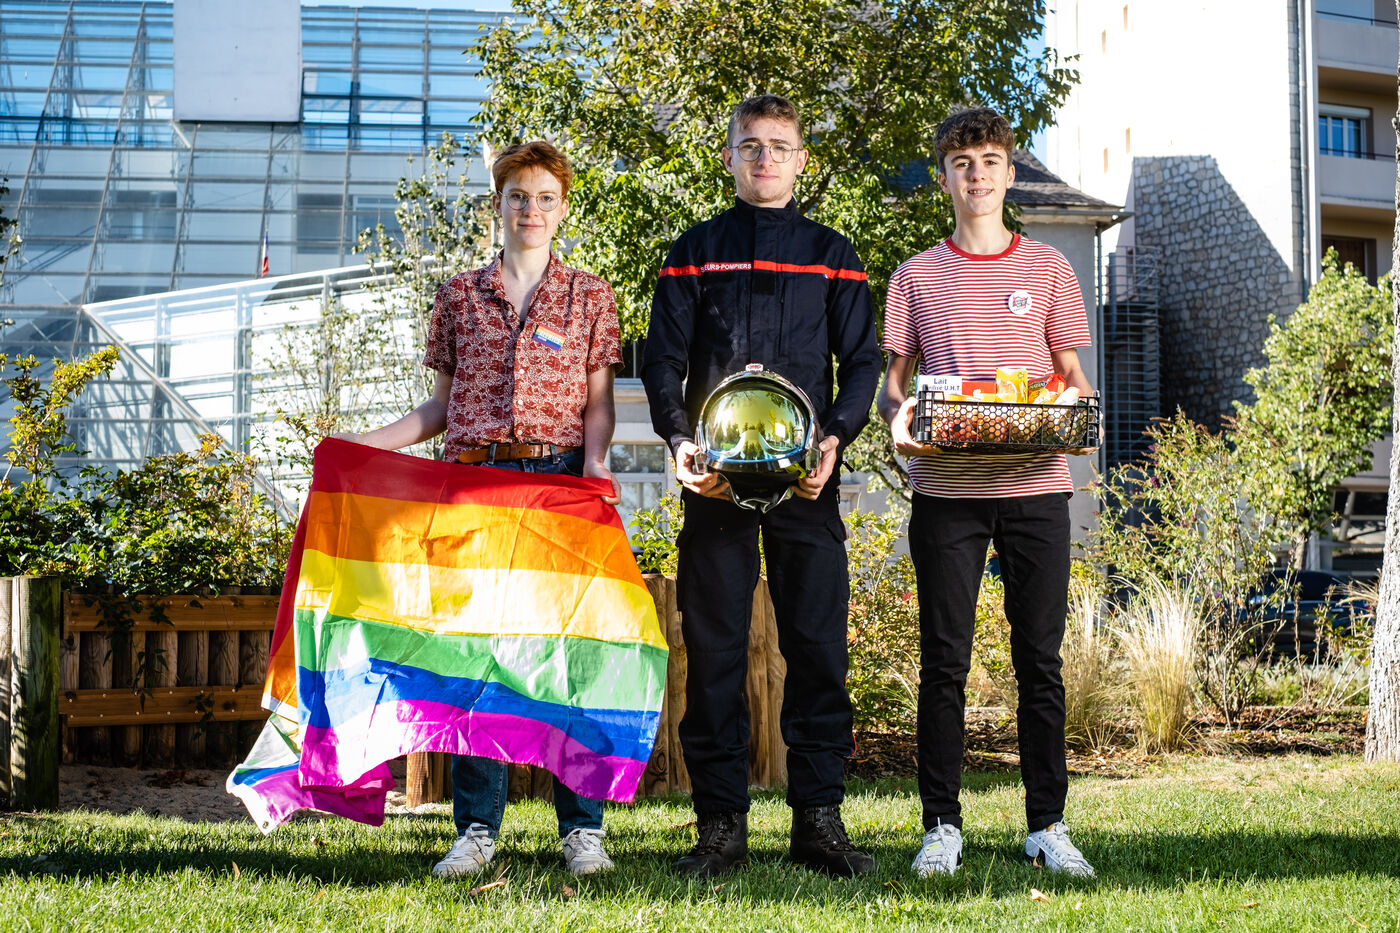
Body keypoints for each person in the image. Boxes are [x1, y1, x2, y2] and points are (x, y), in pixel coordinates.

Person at [332, 140, 623, 878]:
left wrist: (595, 462)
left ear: (563, 208)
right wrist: (360, 445)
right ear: (498, 204)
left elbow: (598, 403)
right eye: (518, 196)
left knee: (567, 657)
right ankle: (476, 830)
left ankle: (582, 831)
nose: (531, 209)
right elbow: (438, 407)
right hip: (471, 486)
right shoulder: (459, 295)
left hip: (558, 484)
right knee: (478, 660)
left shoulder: (591, 295)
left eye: (545, 198)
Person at [642, 94, 882, 878]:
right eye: (751, 146)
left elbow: (863, 363)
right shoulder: (693, 253)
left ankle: (819, 821)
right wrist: (680, 442)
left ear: (800, 160)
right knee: (713, 653)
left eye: (779, 146)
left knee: (818, 649)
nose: (765, 158)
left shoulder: (833, 255)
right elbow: (661, 360)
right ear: (729, 157)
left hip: (808, 486)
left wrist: (835, 439)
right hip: (715, 488)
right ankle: (720, 827)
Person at [877, 107, 1097, 878]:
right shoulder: (914, 276)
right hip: (946, 492)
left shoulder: (1049, 268)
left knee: (1041, 660)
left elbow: (1072, 378)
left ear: (1009, 173)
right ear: (944, 178)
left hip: (1038, 487)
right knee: (945, 661)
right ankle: (941, 825)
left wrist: (1081, 411)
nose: (977, 175)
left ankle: (1048, 825)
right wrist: (898, 418)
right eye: (962, 163)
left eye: (990, 161)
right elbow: (895, 384)